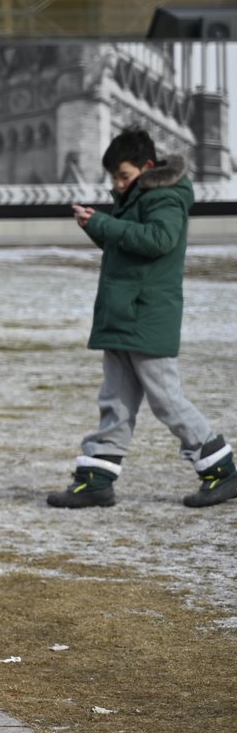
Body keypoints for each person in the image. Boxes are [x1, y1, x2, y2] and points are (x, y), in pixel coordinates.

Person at [47, 127, 235, 509]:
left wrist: (103, 224)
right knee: (114, 400)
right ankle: (96, 482)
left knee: (166, 400)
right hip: (123, 316)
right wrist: (96, 226)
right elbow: (130, 247)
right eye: (113, 177)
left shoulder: (164, 195)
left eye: (123, 175)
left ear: (148, 167)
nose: (117, 184)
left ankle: (224, 471)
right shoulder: (136, 197)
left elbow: (157, 241)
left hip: (145, 316)